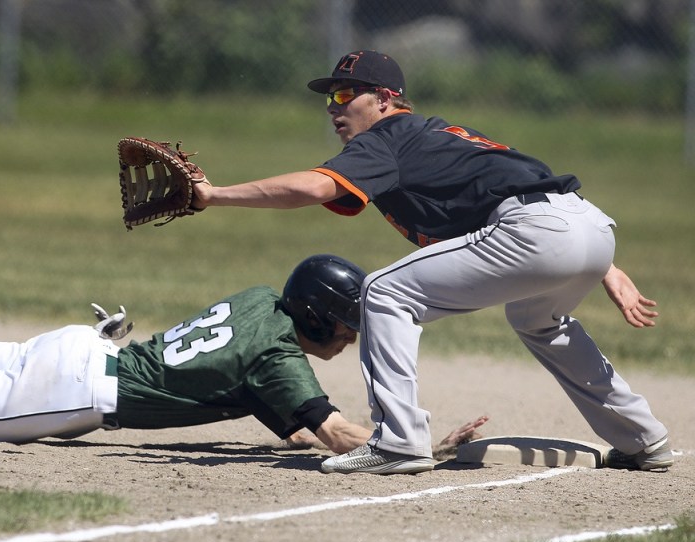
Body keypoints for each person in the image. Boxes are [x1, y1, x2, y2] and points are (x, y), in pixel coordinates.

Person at [0, 204, 486, 469]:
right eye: (346, 328)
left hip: (79, 351)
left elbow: (276, 410)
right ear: (314, 318)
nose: (349, 339)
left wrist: (313, 426)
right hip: (66, 390)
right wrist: (420, 443)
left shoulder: (257, 305)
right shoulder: (277, 357)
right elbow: (338, 434)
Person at [191, 50, 672, 474]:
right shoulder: (439, 134)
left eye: (345, 96)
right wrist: (602, 263)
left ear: (383, 99)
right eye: (330, 98)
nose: (334, 109)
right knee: (536, 318)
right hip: (584, 225)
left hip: (542, 231)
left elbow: (313, 188)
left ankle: (397, 442)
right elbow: (519, 181)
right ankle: (643, 439)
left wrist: (213, 196)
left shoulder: (387, 135)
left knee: (382, 291)